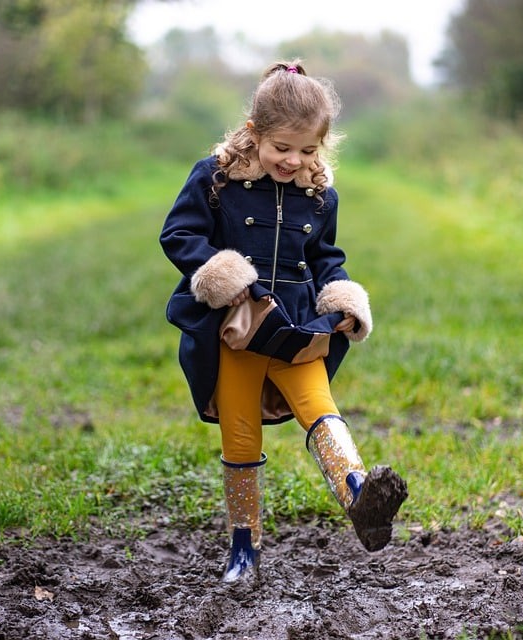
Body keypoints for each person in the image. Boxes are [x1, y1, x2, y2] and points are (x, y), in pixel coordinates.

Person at [160, 60, 408, 584]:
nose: (294, 161)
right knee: (241, 433)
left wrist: (341, 300)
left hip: (296, 328)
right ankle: (242, 549)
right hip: (238, 326)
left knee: (320, 407)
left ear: (322, 145)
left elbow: (325, 259)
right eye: (282, 148)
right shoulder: (215, 179)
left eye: (308, 151)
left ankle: (360, 495)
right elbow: (178, 236)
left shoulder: (320, 196)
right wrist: (223, 274)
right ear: (254, 133)